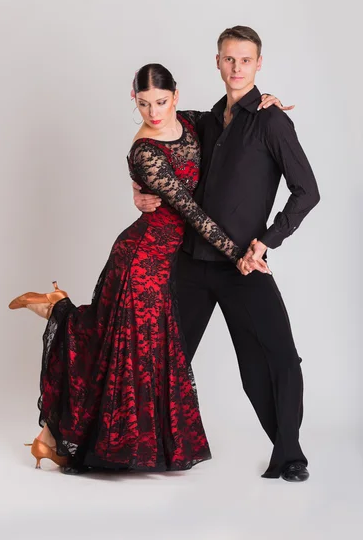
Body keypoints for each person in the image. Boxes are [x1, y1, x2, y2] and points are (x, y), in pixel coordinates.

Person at [9, 63, 282, 474]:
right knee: (127, 354)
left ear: (176, 95)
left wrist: (264, 105)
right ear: (132, 100)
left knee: (115, 348)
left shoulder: (188, 121)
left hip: (168, 258)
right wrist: (240, 254)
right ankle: (60, 320)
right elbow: (192, 213)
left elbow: (223, 117)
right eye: (143, 104)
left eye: (160, 101)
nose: (153, 113)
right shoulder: (146, 150)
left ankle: (51, 430)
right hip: (143, 259)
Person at [133, 27, 320, 482]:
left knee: (277, 358)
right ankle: (141, 448)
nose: (236, 68)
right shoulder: (205, 120)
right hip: (192, 261)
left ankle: (289, 452)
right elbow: (152, 138)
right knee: (166, 356)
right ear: (217, 62)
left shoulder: (273, 121)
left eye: (245, 60)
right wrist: (139, 191)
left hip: (244, 264)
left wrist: (268, 240)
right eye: (228, 59)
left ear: (258, 65)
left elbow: (307, 192)